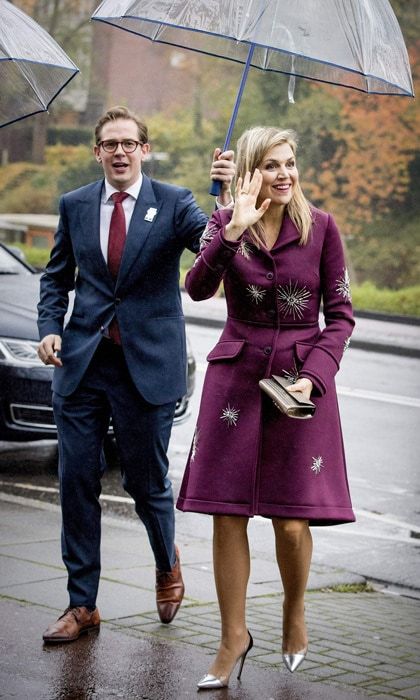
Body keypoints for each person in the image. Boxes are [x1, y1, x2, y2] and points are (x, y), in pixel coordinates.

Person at [37, 105, 235, 643]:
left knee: (144, 482)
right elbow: (56, 277)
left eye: (130, 143)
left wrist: (224, 201)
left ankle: (165, 560)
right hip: (82, 365)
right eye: (110, 144)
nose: (120, 152)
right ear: (97, 151)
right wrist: (50, 327)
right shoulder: (75, 204)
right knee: (76, 480)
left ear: (144, 150)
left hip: (145, 367)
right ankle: (83, 605)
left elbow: (211, 250)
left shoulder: (173, 202)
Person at [177, 125, 355, 688]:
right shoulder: (226, 223)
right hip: (236, 381)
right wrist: (231, 232)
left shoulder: (322, 228)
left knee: (292, 525)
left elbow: (343, 317)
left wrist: (314, 378)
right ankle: (233, 639)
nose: (285, 174)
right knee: (227, 514)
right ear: (251, 169)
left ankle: (294, 610)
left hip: (300, 387)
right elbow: (197, 288)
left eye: (291, 163)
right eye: (272, 165)